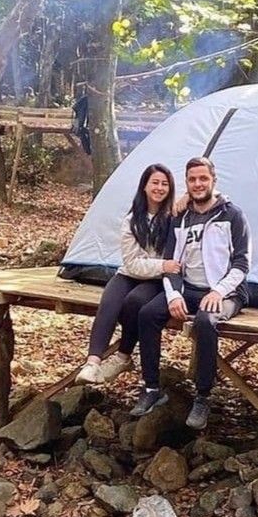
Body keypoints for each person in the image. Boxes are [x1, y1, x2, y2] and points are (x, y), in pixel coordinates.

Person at [132, 155, 250, 432]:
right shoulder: (179, 217)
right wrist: (173, 295)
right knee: (148, 313)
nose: (198, 184)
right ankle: (151, 387)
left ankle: (202, 396)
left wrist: (219, 290)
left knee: (204, 322)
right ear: (186, 183)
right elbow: (171, 262)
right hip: (189, 289)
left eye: (203, 179)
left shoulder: (232, 215)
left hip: (227, 292)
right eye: (192, 179)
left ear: (213, 180)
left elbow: (242, 263)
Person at [75, 164, 181, 385]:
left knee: (134, 302)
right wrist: (163, 264)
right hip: (137, 272)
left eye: (165, 184)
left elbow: (212, 193)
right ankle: (92, 363)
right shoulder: (132, 220)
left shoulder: (174, 217)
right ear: (144, 186)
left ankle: (123, 356)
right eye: (155, 183)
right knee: (110, 301)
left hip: (157, 280)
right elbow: (132, 264)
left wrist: (188, 195)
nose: (159, 188)